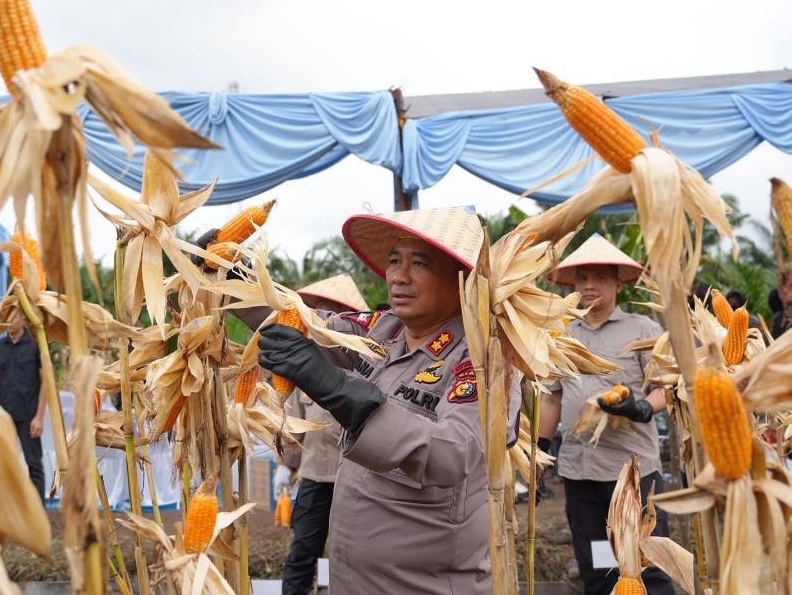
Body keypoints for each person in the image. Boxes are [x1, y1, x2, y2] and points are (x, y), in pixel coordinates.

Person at [226, 206, 522, 594]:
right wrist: (233, 281)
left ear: (462, 279)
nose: (398, 276)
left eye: (420, 263)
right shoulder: (382, 331)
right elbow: (297, 320)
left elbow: (453, 453)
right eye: (395, 260)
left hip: (424, 586)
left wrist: (345, 393)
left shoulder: (484, 359)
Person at [539, 234, 674, 595]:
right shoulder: (561, 332)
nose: (589, 286)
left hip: (632, 471)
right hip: (579, 472)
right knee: (599, 568)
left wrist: (643, 407)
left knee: (647, 567)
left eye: (599, 277)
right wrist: (540, 451)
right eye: (582, 278)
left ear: (617, 284)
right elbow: (552, 399)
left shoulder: (642, 329)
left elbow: (667, 386)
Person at [273, 274, 369, 595]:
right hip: (315, 476)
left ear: (346, 314)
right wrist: (285, 465)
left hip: (355, 479)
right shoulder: (304, 362)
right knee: (302, 552)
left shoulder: (366, 361)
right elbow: (294, 422)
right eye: (316, 308)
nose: (319, 315)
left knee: (355, 557)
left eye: (328, 309)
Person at [0, 312, 47, 502]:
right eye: (6, 317)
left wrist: (39, 417)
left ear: (23, 318)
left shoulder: (35, 347)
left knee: (34, 465)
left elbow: (46, 382)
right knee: (2, 463)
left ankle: (38, 512)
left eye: (13, 317)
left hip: (28, 417)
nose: (9, 321)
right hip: (3, 417)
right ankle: (7, 511)